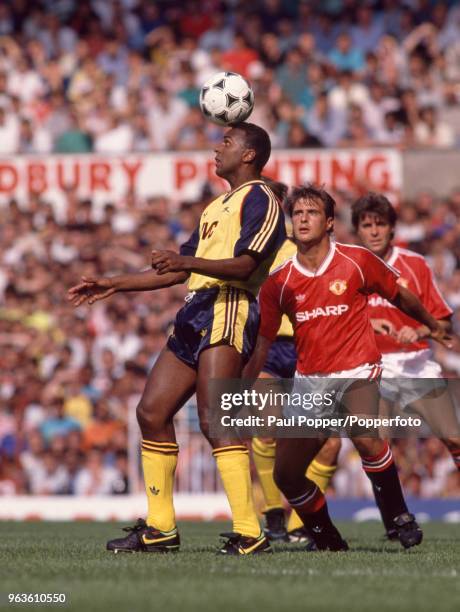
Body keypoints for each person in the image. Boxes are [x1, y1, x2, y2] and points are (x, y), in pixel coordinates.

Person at [68, 122, 286, 555]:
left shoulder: (262, 198)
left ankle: (250, 531)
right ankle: (160, 528)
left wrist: (185, 258)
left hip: (229, 306)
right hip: (195, 311)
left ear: (249, 154)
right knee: (151, 412)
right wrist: (115, 283)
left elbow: (245, 266)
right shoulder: (213, 208)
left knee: (215, 421)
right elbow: (180, 270)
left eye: (227, 142)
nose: (216, 148)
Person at [244, 184, 451, 551]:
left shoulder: (356, 260)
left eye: (311, 213)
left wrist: (430, 324)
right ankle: (327, 538)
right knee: (287, 475)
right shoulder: (279, 282)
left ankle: (399, 516)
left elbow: (399, 293)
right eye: (298, 214)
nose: (303, 219)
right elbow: (262, 340)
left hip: (358, 369)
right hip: (310, 381)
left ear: (328, 223)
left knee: (366, 435)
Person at [351, 192, 460, 538]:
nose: (373, 231)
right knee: (377, 445)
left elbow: (444, 325)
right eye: (366, 225)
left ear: (393, 229)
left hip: (416, 365)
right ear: (357, 231)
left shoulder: (415, 264)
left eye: (380, 224)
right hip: (372, 367)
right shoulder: (349, 267)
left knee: (454, 437)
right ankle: (395, 521)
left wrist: (419, 328)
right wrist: (370, 325)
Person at [250, 180, 339, 543]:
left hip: (311, 349)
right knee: (267, 426)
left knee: (331, 443)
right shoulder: (258, 249)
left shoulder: (314, 248)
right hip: (272, 347)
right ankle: (273, 513)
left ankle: (299, 524)